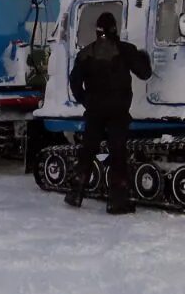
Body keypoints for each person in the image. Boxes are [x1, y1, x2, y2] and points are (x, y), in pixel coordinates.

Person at [65, 12, 152, 214]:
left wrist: (86, 100)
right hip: (118, 110)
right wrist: (144, 57)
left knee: (87, 150)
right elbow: (144, 73)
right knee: (117, 153)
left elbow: (74, 82)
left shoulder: (86, 53)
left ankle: (75, 193)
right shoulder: (125, 50)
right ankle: (117, 201)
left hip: (94, 110)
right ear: (115, 29)